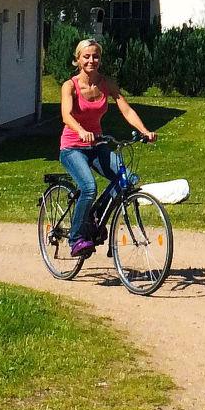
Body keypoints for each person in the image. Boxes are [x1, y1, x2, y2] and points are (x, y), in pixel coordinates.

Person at [60, 37, 155, 257]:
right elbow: (66, 114)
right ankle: (76, 238)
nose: (91, 60)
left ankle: (95, 218)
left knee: (127, 179)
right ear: (77, 59)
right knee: (89, 187)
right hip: (73, 147)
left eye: (95, 56)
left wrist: (144, 131)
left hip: (97, 145)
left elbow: (127, 110)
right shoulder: (70, 86)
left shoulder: (107, 84)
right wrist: (81, 130)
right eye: (86, 56)